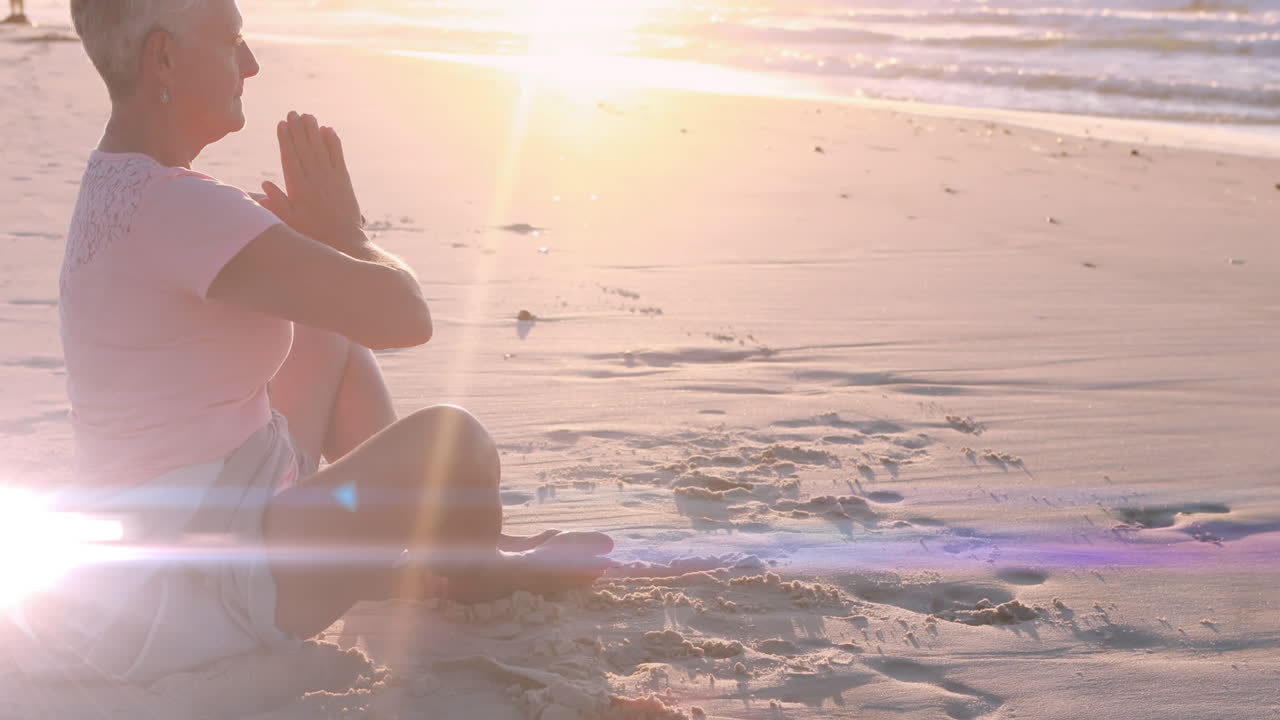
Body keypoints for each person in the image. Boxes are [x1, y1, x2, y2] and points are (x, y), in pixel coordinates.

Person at [20, 0, 612, 683]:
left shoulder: (119, 183)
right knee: (460, 443)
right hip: (204, 579)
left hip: (166, 538)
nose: (250, 63)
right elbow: (405, 317)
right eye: (232, 40)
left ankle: (416, 547)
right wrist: (350, 237)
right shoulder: (180, 208)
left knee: (328, 335)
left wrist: (320, 250)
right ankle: (466, 571)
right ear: (164, 58)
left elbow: (337, 319)